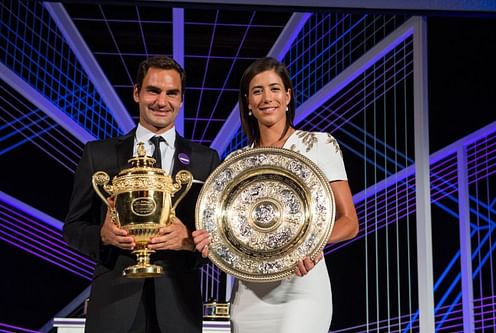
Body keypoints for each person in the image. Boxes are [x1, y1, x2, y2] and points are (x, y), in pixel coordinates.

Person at [192, 57, 359, 332]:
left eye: (274, 89)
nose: (266, 98)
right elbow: (226, 231)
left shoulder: (320, 144)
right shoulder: (236, 162)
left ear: (288, 96)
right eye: (257, 91)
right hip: (247, 296)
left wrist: (310, 246)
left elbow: (349, 222)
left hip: (301, 290)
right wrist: (209, 238)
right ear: (247, 102)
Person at [64, 56, 220, 333]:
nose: (162, 102)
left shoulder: (205, 160)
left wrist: (188, 242)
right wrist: (102, 235)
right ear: (137, 93)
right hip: (115, 306)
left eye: (172, 93)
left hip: (179, 309)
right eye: (153, 91)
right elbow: (73, 228)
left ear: (181, 99)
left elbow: (219, 239)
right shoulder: (98, 154)